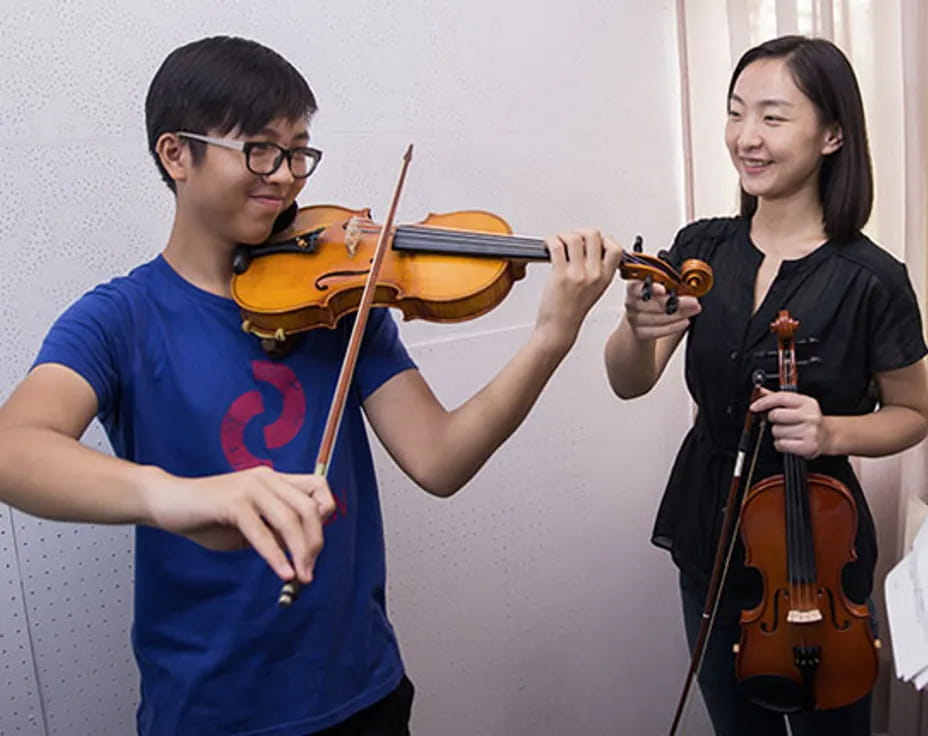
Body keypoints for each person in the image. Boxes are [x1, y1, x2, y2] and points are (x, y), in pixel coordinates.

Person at [0, 35, 622, 735]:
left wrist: (551, 338)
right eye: (261, 150)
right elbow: (15, 448)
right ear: (176, 154)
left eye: (299, 152)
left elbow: (440, 460)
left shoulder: (338, 302)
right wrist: (177, 496)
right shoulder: (120, 318)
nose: (288, 178)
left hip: (365, 692)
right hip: (207, 712)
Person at [604, 35, 928, 736]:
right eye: (735, 113)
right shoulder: (700, 248)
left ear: (833, 134)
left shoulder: (873, 279)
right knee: (735, 724)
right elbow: (629, 382)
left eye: (774, 118)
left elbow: (913, 411)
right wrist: (635, 330)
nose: (746, 138)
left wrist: (833, 430)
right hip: (706, 524)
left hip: (818, 542)